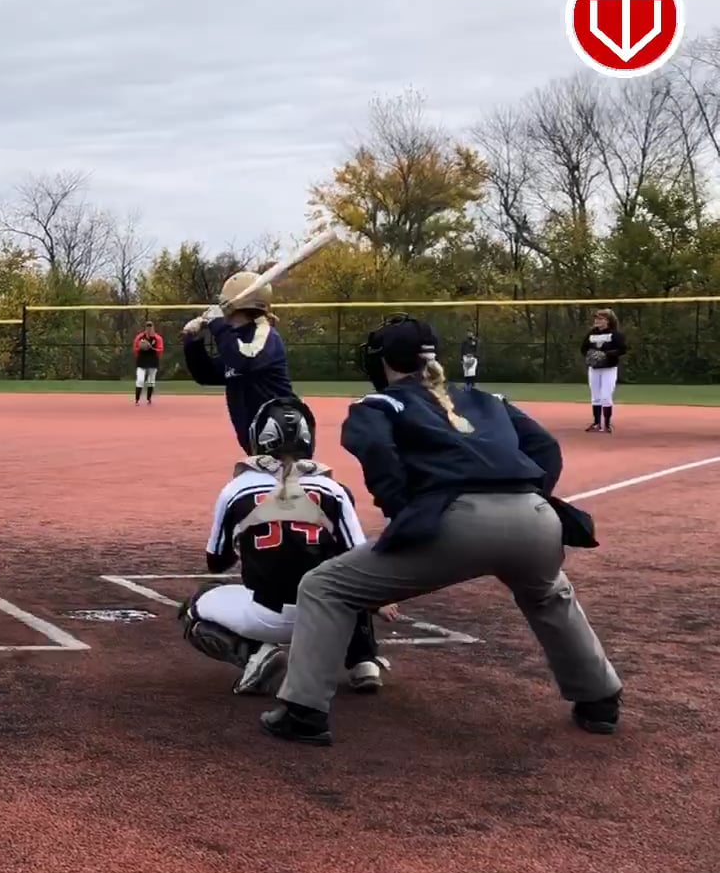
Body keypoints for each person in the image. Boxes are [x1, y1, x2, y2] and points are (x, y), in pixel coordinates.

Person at [261, 315, 622, 746]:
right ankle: (600, 700)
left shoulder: (380, 404)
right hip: (536, 517)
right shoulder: (485, 398)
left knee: (325, 587)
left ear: (383, 361)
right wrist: (529, 497)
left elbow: (374, 449)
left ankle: (303, 711)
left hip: (455, 521)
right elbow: (545, 447)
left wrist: (404, 511)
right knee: (549, 594)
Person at [178, 396, 395, 696]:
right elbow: (359, 556)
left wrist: (247, 541)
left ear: (259, 439)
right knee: (345, 572)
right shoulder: (334, 490)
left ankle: (255, 655)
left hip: (265, 614)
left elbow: (216, 561)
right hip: (326, 617)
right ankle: (363, 661)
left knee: (195, 606)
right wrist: (378, 602)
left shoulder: (236, 489)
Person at [182, 271, 295, 453]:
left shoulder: (264, 333)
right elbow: (207, 375)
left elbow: (245, 360)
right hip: (257, 443)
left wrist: (218, 325)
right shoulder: (236, 341)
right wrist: (193, 342)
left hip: (284, 438)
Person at [582, 309, 626, 432]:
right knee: (595, 396)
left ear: (608, 321)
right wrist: (590, 355)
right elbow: (583, 348)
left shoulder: (615, 334)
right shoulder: (591, 334)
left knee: (606, 396)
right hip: (594, 368)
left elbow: (622, 349)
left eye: (600, 318)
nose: (597, 321)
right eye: (596, 318)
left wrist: (606, 354)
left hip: (609, 368)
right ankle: (597, 423)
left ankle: (606, 424)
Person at [131, 322, 163, 404]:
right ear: (145, 328)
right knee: (140, 380)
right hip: (142, 360)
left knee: (151, 381)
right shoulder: (140, 337)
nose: (149, 329)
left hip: (153, 361)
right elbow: (135, 348)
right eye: (147, 327)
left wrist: (151, 348)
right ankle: (137, 399)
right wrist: (141, 348)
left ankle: (149, 398)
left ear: (153, 328)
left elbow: (160, 349)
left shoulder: (158, 338)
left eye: (150, 327)